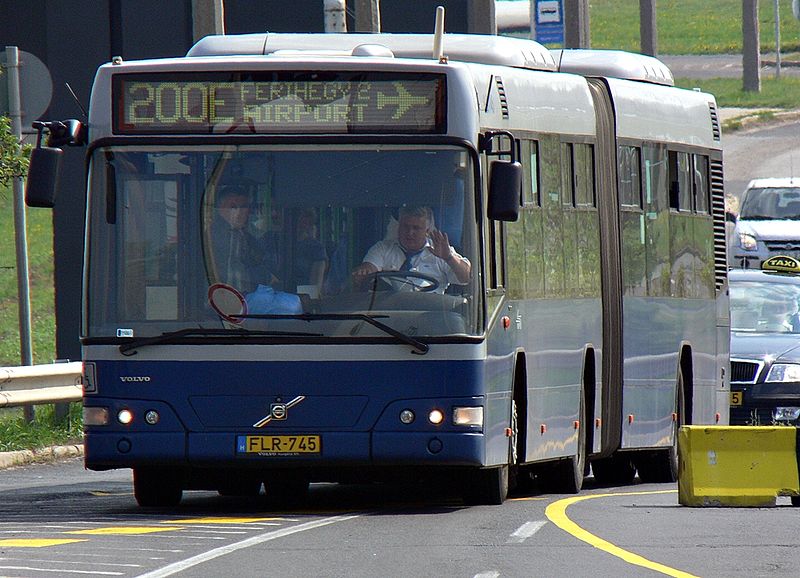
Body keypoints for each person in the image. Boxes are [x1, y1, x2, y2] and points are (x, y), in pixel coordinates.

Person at [352, 205, 471, 293]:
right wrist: (364, 272)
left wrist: (449, 258)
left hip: (430, 317)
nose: (410, 233)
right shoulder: (383, 248)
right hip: (388, 316)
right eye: (406, 227)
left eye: (416, 228)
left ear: (427, 231)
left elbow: (466, 278)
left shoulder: (442, 251)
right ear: (399, 226)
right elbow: (369, 267)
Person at [209, 186, 277, 294]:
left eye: (244, 207)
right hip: (220, 301)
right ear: (220, 209)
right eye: (232, 207)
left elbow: (262, 265)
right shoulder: (210, 236)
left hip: (247, 299)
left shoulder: (252, 237)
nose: (239, 212)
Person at [292, 208, 327, 297]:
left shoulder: (316, 248)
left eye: (304, 217)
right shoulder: (270, 239)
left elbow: (314, 288)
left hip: (300, 301)